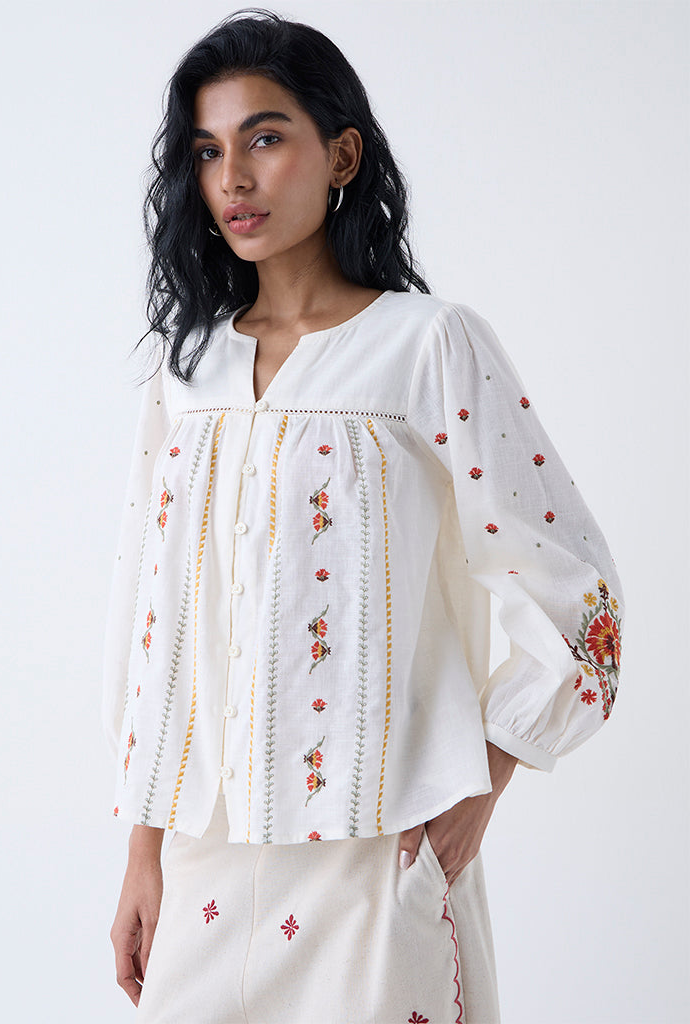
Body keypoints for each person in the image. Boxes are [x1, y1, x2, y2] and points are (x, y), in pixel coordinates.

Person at [103, 9, 624, 1023]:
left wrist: (481, 787)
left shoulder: (427, 345)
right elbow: (153, 622)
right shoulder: (190, 370)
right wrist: (142, 850)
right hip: (205, 860)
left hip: (377, 855)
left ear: (341, 155)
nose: (233, 178)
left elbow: (574, 586)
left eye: (264, 137)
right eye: (207, 151)